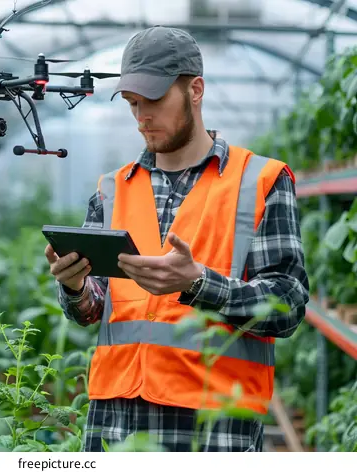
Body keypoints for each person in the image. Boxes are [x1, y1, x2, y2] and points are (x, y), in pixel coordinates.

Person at [44, 26, 309, 452]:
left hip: (214, 428)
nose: (141, 116)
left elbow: (288, 306)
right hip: (115, 424)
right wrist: (74, 286)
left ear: (195, 90)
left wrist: (199, 284)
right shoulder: (112, 189)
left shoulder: (260, 180)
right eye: (133, 104)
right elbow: (92, 310)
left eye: (153, 101)